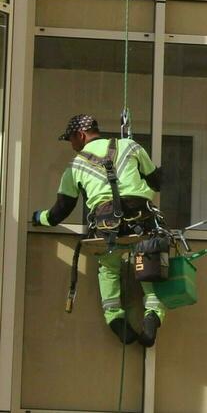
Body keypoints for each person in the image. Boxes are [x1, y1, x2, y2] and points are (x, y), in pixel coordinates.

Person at [32, 114, 166, 347]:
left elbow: (59, 213)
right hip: (142, 223)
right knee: (148, 268)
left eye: (70, 140)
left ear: (80, 135)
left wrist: (38, 218)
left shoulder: (75, 166)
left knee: (109, 270)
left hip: (107, 231)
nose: (71, 145)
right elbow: (156, 182)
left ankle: (115, 319)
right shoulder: (130, 146)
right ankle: (152, 316)